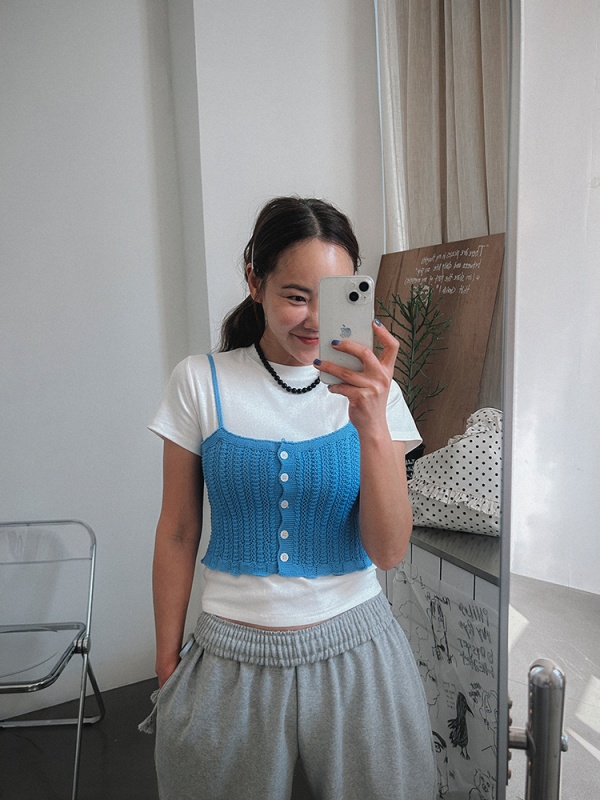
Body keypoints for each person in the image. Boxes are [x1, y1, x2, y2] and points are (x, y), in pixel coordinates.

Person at [140, 196, 436, 800]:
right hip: (229, 659)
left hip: (358, 651)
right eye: (297, 296)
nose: (315, 320)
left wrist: (372, 423)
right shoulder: (200, 381)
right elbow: (177, 530)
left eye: (334, 297)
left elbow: (388, 551)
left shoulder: (376, 393)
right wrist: (167, 662)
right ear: (255, 283)